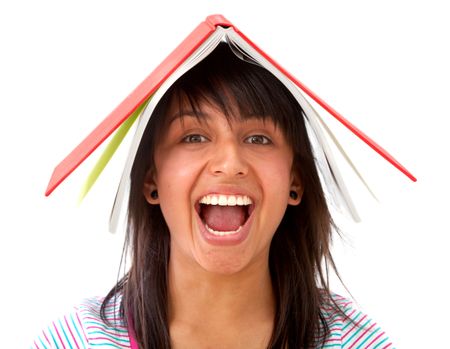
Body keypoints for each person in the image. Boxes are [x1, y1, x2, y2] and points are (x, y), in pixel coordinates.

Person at [32, 44, 395, 349]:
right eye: (193, 137)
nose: (229, 164)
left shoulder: (354, 341)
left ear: (294, 182)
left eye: (258, 138)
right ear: (151, 181)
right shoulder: (80, 339)